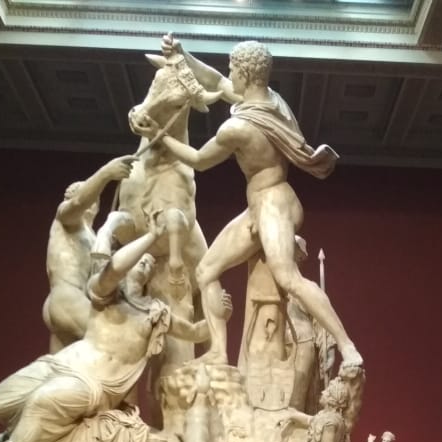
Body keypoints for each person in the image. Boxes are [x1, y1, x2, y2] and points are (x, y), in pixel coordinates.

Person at [133, 35, 363, 370]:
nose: (229, 74)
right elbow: (217, 82)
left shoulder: (237, 127)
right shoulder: (273, 102)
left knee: (288, 277)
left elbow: (198, 159)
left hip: (275, 203)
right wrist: (183, 55)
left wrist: (159, 134)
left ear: (244, 73)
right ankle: (218, 352)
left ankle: (347, 346)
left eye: (232, 68)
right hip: (257, 207)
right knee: (205, 271)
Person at [0, 223, 217, 442]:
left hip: (95, 384)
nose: (146, 262)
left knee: (42, 401)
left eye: (149, 262)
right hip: (62, 364)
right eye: (139, 259)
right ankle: (27, 440)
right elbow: (114, 268)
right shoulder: (105, 295)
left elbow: (195, 331)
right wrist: (152, 236)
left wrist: (219, 315)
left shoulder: (156, 313)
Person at [42, 154, 136, 352]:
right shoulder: (66, 218)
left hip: (71, 301)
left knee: (62, 368)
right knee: (117, 342)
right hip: (68, 297)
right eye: (89, 193)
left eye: (95, 196)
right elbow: (78, 203)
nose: (93, 199)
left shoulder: (93, 238)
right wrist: (107, 173)